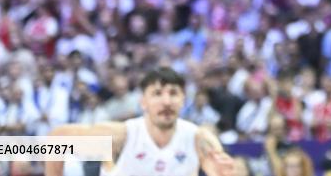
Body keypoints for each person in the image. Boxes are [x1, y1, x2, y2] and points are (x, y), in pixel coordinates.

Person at [46, 67, 238, 176]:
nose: (166, 101)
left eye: (173, 93)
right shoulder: (122, 135)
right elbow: (57, 140)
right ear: (143, 102)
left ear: (183, 100)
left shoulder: (198, 139)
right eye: (157, 94)